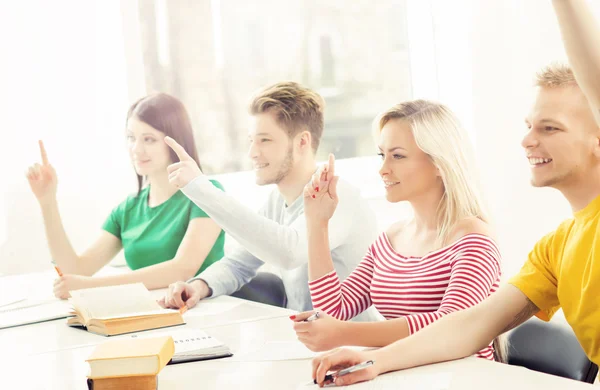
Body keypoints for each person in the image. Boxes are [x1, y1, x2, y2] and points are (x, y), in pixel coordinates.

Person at [309, 1, 600, 386]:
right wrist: (376, 361)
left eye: (550, 128)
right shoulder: (557, 248)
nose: (527, 140)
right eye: (530, 126)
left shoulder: (475, 237)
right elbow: (468, 326)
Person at [291, 100, 502, 362]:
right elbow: (334, 310)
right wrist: (317, 223)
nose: (383, 169)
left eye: (398, 156)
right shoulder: (390, 240)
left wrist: (345, 333)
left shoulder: (474, 241)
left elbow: (450, 326)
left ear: (439, 163)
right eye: (382, 155)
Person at [159, 82, 378, 315]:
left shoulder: (337, 196)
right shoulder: (278, 200)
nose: (252, 152)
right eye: (251, 140)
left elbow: (289, 252)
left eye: (264, 140)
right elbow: (239, 263)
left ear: (302, 142)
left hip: (352, 346)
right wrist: (198, 286)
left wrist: (201, 188)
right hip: (307, 338)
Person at [26, 93, 225, 299]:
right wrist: (47, 201)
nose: (136, 149)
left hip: (207, 310)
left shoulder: (205, 193)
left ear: (176, 141)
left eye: (149, 139)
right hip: (152, 312)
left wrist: (92, 286)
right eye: (131, 138)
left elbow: (182, 269)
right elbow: (75, 271)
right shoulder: (128, 209)